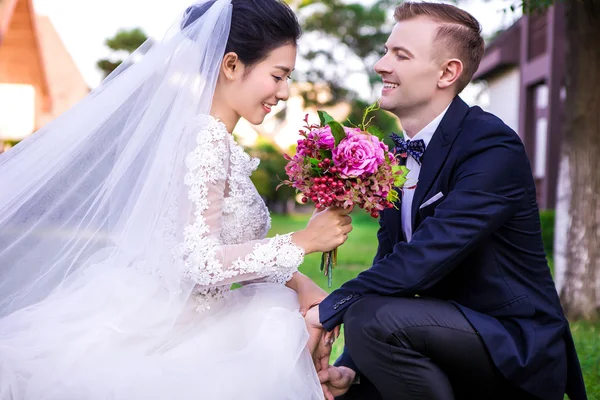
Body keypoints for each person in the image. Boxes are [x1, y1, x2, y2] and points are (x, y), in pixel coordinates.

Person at [0, 0, 348, 398]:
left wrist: (299, 281)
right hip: (161, 326)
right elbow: (198, 261)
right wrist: (304, 240)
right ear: (232, 65)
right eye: (278, 75)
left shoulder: (214, 139)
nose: (284, 92)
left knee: (281, 315)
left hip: (193, 313)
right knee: (276, 328)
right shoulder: (205, 140)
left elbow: (224, 246)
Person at [310, 2, 587, 400]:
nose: (381, 65)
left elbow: (424, 258)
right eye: (387, 51)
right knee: (345, 378)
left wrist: (326, 311)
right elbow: (390, 265)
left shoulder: (491, 145)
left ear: (447, 73)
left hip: (512, 344)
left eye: (400, 55)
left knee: (369, 316)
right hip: (441, 334)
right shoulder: (395, 154)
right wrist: (351, 367)